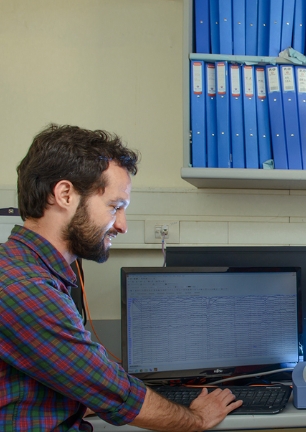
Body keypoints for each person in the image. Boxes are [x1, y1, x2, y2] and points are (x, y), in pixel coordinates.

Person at [0, 124, 242, 431]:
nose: (122, 225)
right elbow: (118, 395)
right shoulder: (25, 288)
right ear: (64, 195)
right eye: (115, 207)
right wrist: (196, 419)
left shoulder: (26, 271)